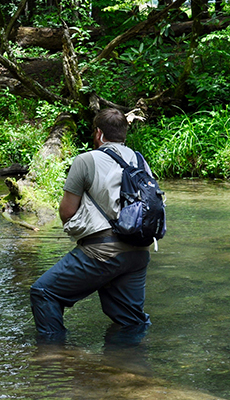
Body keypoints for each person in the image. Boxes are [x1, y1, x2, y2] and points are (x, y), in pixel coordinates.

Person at [30, 108, 152, 343]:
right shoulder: (139, 159)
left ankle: (54, 356)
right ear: (124, 133)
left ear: (98, 133)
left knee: (44, 292)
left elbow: (66, 212)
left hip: (101, 252)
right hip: (139, 253)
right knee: (130, 319)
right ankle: (131, 367)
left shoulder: (86, 160)